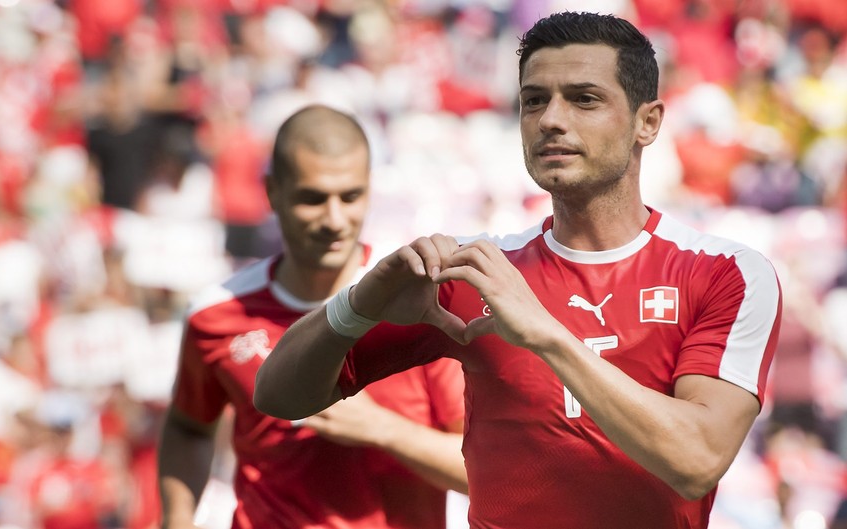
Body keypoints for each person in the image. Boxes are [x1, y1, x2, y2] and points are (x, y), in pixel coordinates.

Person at [253, 12, 783, 529]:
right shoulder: (474, 272)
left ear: (648, 122)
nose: (551, 119)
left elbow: (697, 460)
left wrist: (545, 334)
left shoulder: (726, 273)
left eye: (584, 98)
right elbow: (279, 396)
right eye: (534, 101)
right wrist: (356, 305)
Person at [158, 104, 467, 529]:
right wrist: (176, 518)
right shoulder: (216, 314)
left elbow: (483, 467)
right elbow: (189, 426)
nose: (334, 219)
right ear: (273, 192)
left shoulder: (422, 300)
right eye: (313, 198)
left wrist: (384, 429)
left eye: (350, 196)